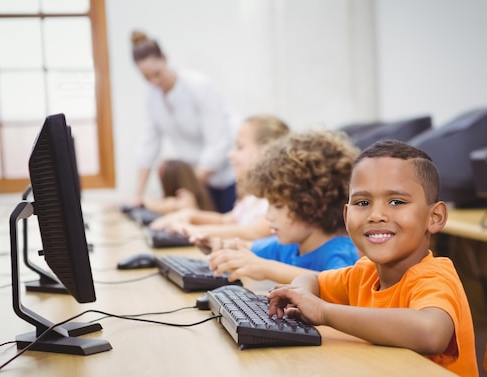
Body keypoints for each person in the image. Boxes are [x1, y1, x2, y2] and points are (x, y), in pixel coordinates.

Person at [267, 140, 480, 377]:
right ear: (347, 216)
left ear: (434, 217)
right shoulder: (365, 273)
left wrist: (322, 311)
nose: (376, 215)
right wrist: (299, 296)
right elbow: (312, 279)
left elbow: (431, 333)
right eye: (363, 203)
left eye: (396, 202)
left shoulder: (435, 277)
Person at [207, 130, 361, 291]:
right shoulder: (288, 245)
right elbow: (247, 249)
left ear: (315, 204)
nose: (268, 215)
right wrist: (223, 246)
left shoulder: (339, 252)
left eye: (278, 206)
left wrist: (267, 268)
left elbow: (341, 288)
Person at [130, 30, 237, 213]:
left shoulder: (199, 86)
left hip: (223, 177)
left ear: (165, 59)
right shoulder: (152, 97)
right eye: (147, 77)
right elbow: (148, 146)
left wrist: (191, 187)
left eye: (157, 73)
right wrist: (137, 197)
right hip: (196, 179)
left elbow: (218, 143)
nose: (154, 81)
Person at [149, 115, 290, 244]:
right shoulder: (252, 198)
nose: (230, 155)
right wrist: (190, 215)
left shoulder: (275, 200)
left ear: (266, 152)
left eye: (239, 147)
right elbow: (224, 220)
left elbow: (253, 233)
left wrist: (191, 230)